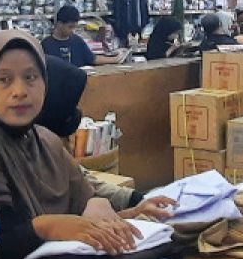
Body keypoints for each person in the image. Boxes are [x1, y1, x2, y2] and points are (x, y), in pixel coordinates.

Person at [0, 31, 175, 259]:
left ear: (44, 83)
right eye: (4, 80)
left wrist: (130, 213)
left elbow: (84, 198)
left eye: (31, 77)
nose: (19, 91)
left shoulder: (45, 141)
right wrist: (45, 227)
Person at [38, 55, 163, 213]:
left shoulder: (50, 146)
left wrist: (137, 200)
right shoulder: (18, 153)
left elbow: (84, 181)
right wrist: (129, 214)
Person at [41, 5, 122, 67]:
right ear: (59, 24)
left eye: (75, 27)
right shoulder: (46, 45)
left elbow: (92, 59)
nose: (73, 30)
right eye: (70, 27)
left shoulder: (77, 41)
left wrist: (115, 59)